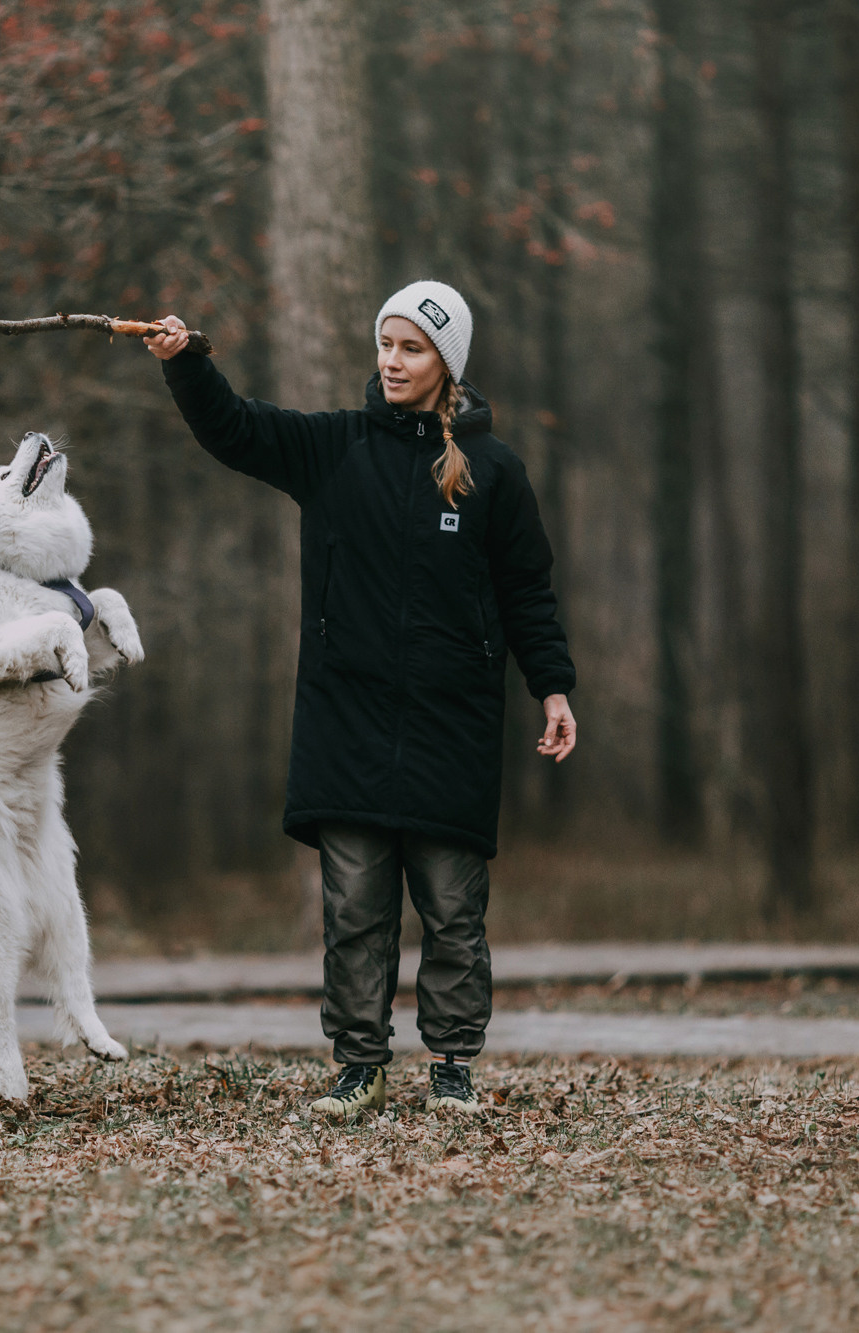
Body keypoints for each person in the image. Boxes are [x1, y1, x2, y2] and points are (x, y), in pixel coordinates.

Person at [145, 281, 577, 1118]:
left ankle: (452, 1063)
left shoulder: (493, 470)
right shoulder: (334, 448)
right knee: (354, 909)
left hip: (453, 726)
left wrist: (552, 686)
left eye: (411, 346)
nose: (390, 359)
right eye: (384, 342)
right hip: (345, 722)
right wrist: (187, 364)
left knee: (453, 909)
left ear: (446, 363)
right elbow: (235, 428)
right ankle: (360, 1063)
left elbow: (529, 591)